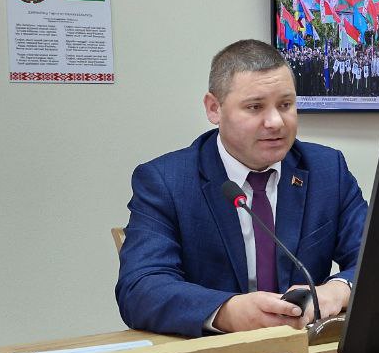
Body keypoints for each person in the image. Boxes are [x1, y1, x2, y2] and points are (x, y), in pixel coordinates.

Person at [116, 40, 365, 336]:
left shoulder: (327, 169)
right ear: (214, 108)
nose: (275, 122)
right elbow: (140, 288)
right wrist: (226, 311)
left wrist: (338, 290)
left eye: (285, 105)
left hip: (308, 351)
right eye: (255, 107)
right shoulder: (166, 181)